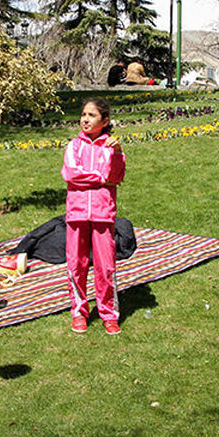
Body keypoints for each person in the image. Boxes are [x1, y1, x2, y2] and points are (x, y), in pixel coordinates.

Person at [62, 98, 126, 335]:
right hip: (77, 214)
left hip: (103, 214)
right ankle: (79, 311)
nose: (85, 119)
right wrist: (100, 178)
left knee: (105, 266)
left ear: (105, 121)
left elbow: (117, 176)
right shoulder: (73, 146)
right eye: (83, 115)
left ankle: (109, 313)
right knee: (76, 264)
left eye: (91, 115)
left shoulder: (112, 147)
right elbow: (71, 174)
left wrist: (117, 154)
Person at [5, 215, 137, 265]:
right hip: (64, 241)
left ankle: (22, 250)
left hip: (62, 245)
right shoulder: (114, 238)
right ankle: (23, 250)